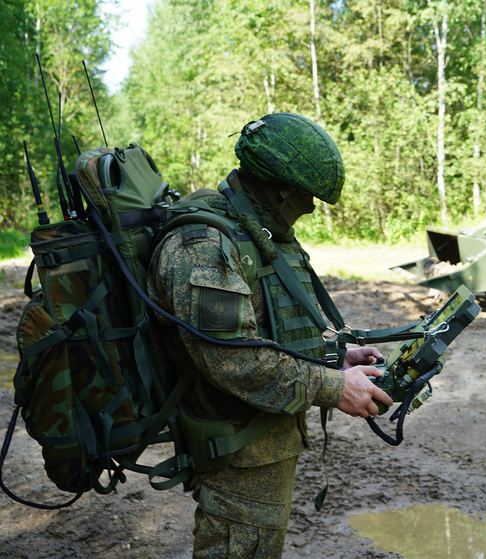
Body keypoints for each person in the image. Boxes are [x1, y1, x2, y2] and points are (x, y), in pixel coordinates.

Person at [146, 112, 393, 558]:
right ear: (275, 187)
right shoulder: (202, 247)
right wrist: (334, 387)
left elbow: (267, 327)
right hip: (235, 455)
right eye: (304, 196)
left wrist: (332, 356)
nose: (311, 207)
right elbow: (234, 358)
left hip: (264, 442)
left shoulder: (258, 231)